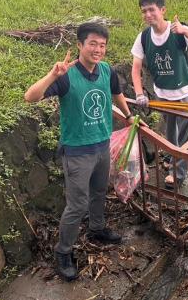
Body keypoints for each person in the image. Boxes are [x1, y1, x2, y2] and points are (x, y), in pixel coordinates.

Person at [25, 22, 134, 281]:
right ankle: (63, 252)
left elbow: (117, 93)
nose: (98, 49)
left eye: (102, 45)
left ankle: (97, 228)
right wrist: (53, 75)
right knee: (77, 205)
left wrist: (128, 116)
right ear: (80, 46)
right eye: (92, 44)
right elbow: (30, 96)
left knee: (98, 192)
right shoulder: (67, 76)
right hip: (77, 152)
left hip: (102, 146)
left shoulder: (107, 70)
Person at [131, 0, 188, 187]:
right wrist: (139, 93)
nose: (148, 15)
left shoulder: (178, 31)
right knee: (170, 132)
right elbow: (136, 68)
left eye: (152, 10)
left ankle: (178, 173)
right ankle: (172, 158)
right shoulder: (143, 38)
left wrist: (186, 32)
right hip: (163, 95)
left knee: (185, 135)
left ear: (162, 10)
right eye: (144, 11)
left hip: (184, 95)